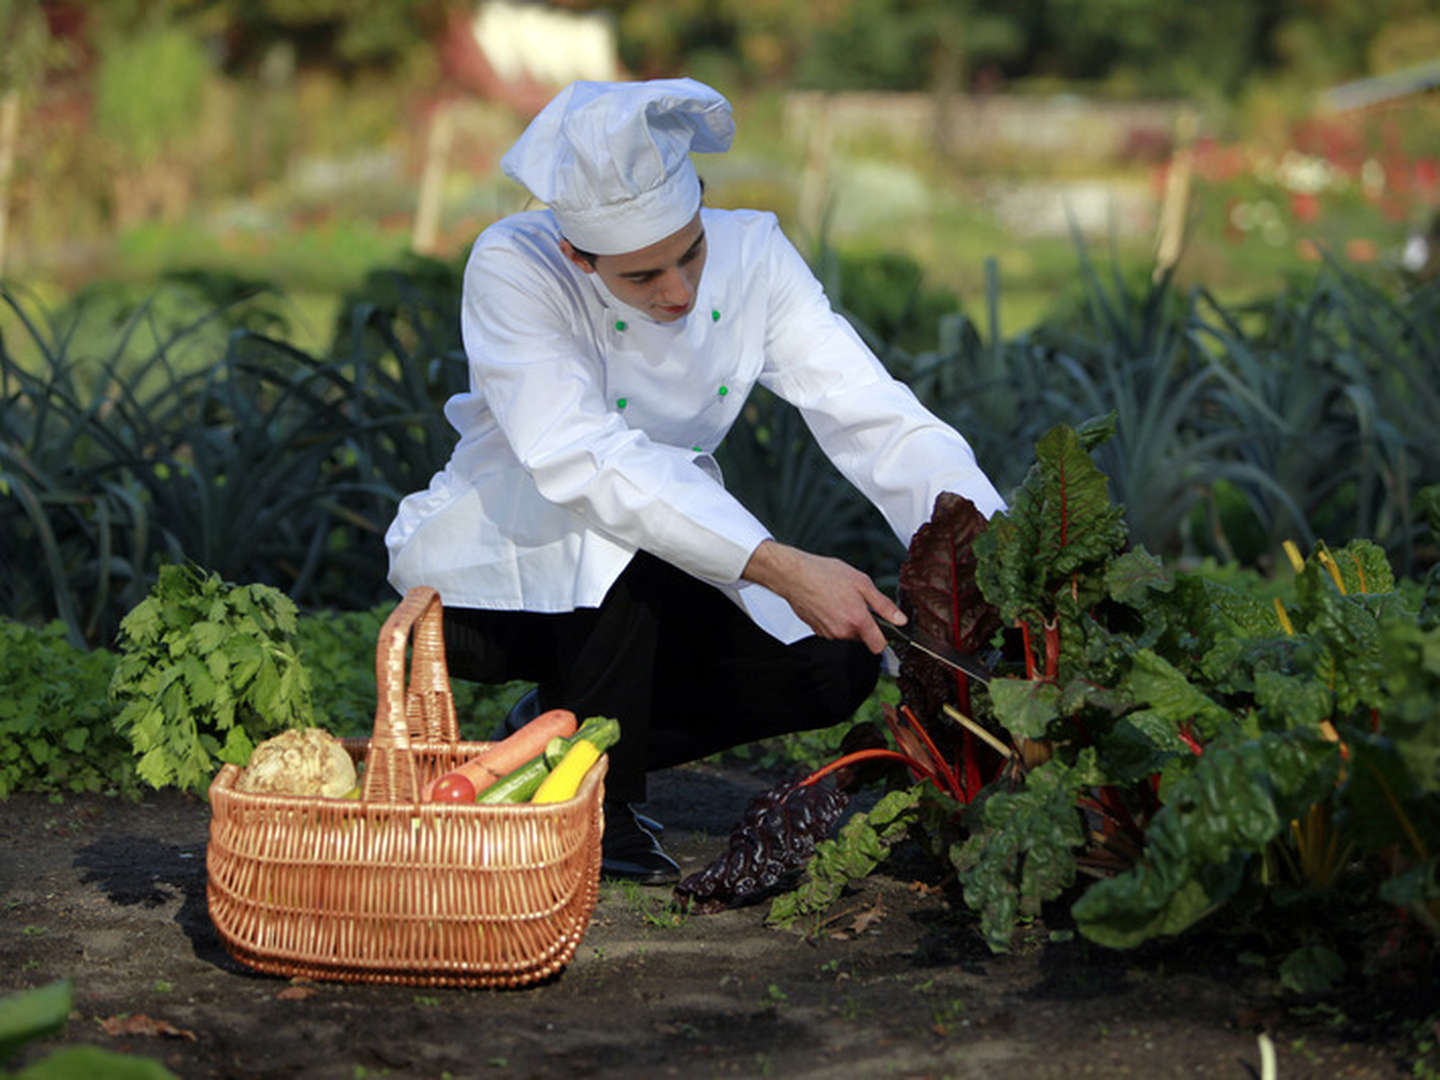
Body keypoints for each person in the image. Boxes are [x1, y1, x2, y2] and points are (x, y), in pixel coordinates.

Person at [385, 78, 1005, 883]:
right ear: (577, 253)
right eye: (642, 277)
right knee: (614, 525)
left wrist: (992, 555)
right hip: (495, 578)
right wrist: (782, 565)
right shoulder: (514, 263)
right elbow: (579, 455)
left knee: (833, 662)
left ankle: (551, 728)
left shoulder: (755, 256)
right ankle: (595, 809)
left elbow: (874, 417)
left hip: (671, 560)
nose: (678, 291)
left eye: (689, 253)